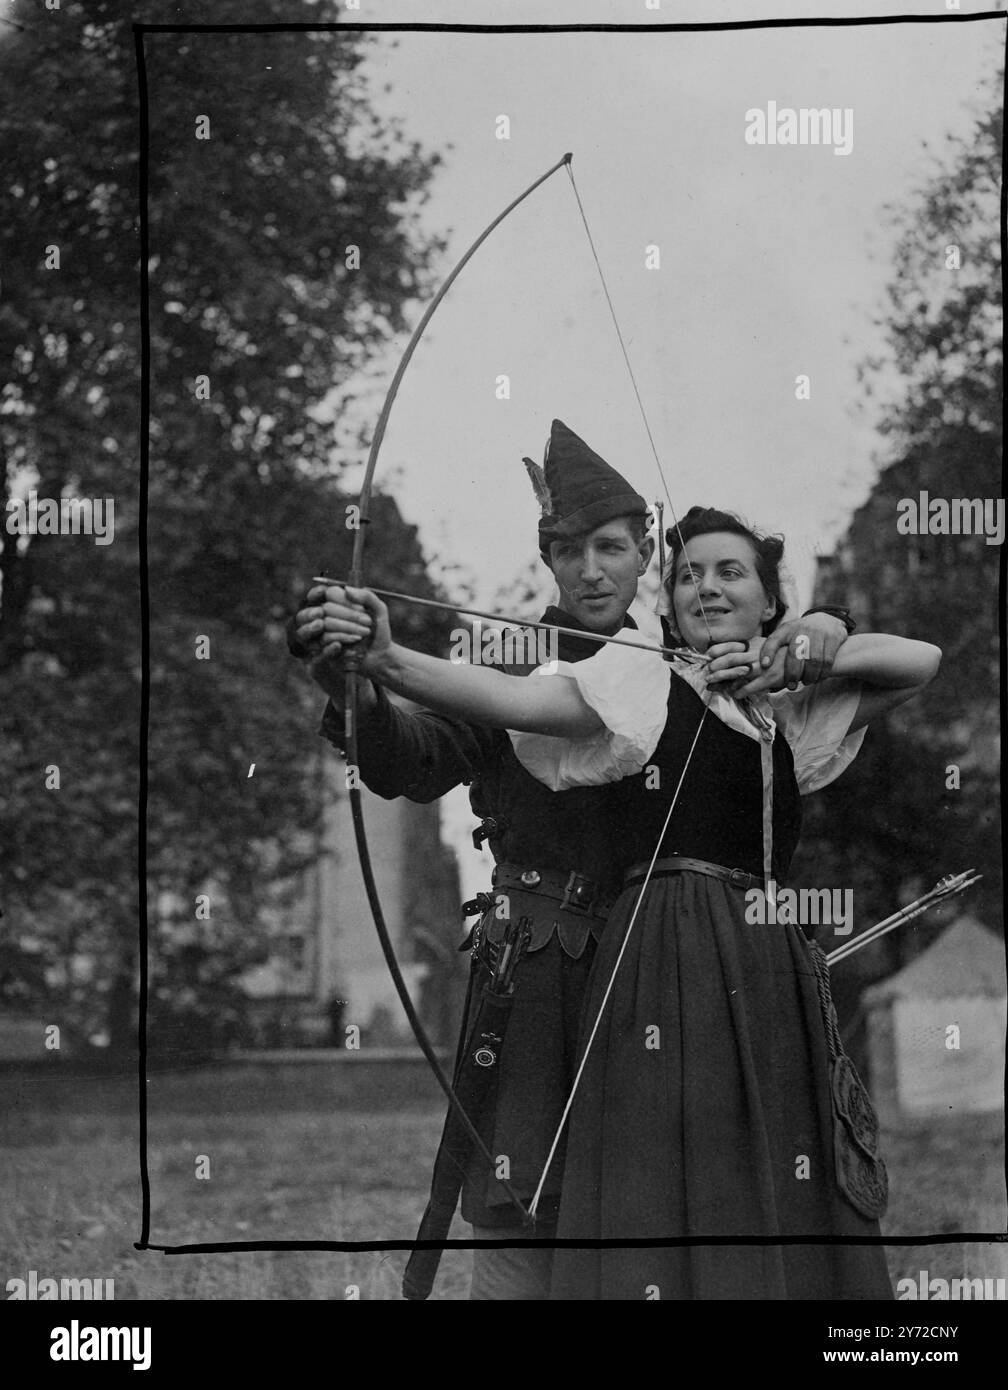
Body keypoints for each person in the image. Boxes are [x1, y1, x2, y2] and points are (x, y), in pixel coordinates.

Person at [310, 505, 940, 1301]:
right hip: (632, 967)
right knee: (606, 1196)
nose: (704, 587)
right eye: (688, 576)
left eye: (729, 572)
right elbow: (493, 708)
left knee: (762, 1172)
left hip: (754, 966)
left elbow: (918, 663)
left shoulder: (775, 710)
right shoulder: (619, 680)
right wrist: (379, 663)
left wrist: (815, 639)